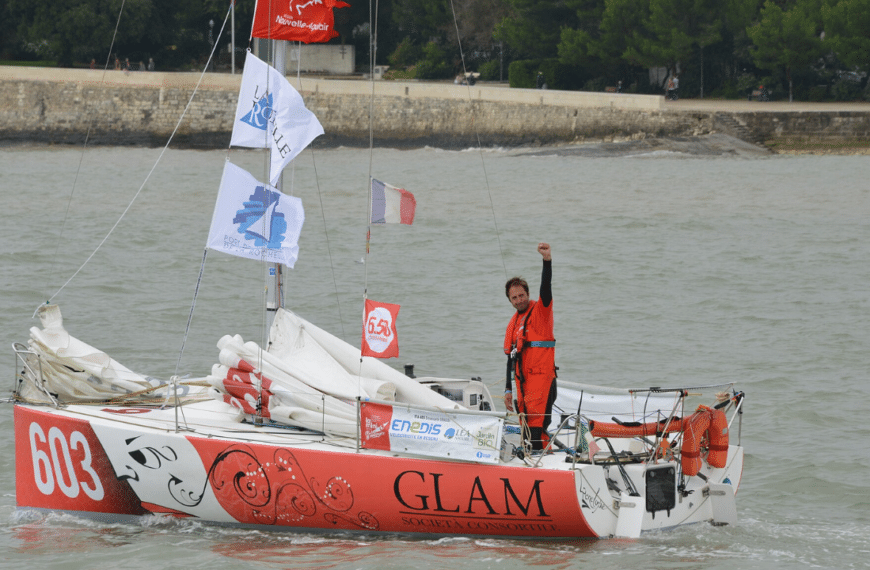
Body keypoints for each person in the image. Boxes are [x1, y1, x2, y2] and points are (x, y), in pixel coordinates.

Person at [503, 243, 557, 451]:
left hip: (542, 382)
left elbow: (546, 287)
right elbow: (510, 357)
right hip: (522, 386)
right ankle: (531, 462)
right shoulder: (514, 323)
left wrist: (547, 260)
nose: (518, 300)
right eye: (514, 298)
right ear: (510, 300)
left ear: (528, 294)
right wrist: (508, 389)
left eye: (521, 296)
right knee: (525, 430)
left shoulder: (541, 312)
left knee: (537, 432)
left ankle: (546, 463)